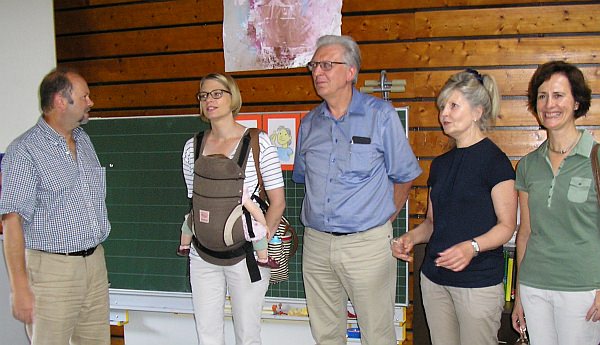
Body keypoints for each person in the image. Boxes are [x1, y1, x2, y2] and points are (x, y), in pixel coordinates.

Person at [292, 35, 422, 345]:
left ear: (351, 72)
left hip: (367, 246)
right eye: (314, 65)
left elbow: (405, 175)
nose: (317, 73)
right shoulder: (309, 123)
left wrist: (382, 220)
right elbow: (303, 177)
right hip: (317, 246)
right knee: (326, 335)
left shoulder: (381, 116)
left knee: (376, 335)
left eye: (327, 65)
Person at [392, 69, 518, 345]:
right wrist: (409, 238)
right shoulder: (440, 165)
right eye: (442, 107)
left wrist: (471, 247)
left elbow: (507, 226)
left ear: (477, 112)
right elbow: (432, 224)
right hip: (435, 281)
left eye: (453, 106)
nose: (443, 114)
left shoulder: (495, 162)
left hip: (479, 283)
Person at [0, 68, 111, 345]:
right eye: (84, 96)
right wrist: (19, 288)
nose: (90, 102)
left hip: (95, 265)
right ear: (61, 102)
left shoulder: (84, 141)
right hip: (52, 273)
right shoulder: (25, 150)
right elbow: (12, 221)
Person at [181, 72, 285, 344]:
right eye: (204, 95)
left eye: (217, 94)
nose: (209, 100)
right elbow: (195, 201)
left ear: (233, 97)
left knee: (247, 335)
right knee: (207, 335)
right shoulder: (192, 147)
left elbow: (278, 202)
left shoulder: (258, 143)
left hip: (246, 258)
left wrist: (260, 240)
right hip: (202, 257)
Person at [511, 61, 600, 344]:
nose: (549, 104)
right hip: (534, 286)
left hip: (582, 287)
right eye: (542, 95)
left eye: (559, 95)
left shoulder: (596, 159)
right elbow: (524, 233)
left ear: (576, 102)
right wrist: (519, 297)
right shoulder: (527, 165)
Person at [177, 177, 279, 268]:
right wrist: (264, 225)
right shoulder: (237, 188)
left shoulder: (203, 186)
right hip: (231, 226)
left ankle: (184, 246)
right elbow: (254, 209)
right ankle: (263, 258)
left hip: (206, 225)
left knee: (189, 221)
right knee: (257, 230)